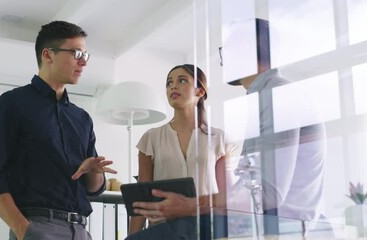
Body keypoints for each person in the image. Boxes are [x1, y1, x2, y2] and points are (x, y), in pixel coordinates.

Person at [129, 18, 330, 239]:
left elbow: (267, 193)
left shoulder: (275, 97)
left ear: (247, 49)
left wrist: (190, 205)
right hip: (257, 225)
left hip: (275, 230)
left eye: (226, 49)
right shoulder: (268, 96)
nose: (222, 60)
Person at [0, 21, 117, 240]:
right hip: (37, 227)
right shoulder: (12, 104)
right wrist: (24, 230)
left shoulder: (82, 118)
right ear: (48, 55)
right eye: (76, 53)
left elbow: (92, 189)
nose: (83, 62)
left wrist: (94, 170)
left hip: (81, 230)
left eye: (86, 56)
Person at [128, 64, 235, 238]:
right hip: (163, 231)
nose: (173, 86)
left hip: (207, 229)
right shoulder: (151, 138)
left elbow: (227, 197)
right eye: (169, 83)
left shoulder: (218, 138)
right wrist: (132, 237)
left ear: (200, 92)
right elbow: (142, 201)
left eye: (182, 80)